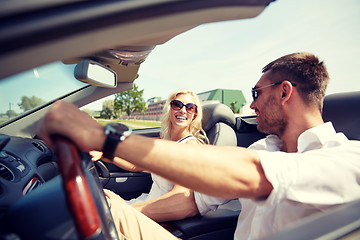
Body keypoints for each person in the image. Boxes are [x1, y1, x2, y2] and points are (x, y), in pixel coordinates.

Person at [36, 52, 360, 240]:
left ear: (285, 92)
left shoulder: (347, 158)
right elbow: (193, 196)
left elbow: (252, 175)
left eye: (257, 92)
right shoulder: (263, 149)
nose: (251, 103)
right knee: (94, 212)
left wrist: (103, 136)